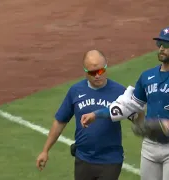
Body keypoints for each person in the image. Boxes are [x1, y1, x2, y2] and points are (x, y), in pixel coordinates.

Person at [80, 26, 169, 180]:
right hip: (150, 144)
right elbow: (127, 105)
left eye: (167, 45)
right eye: (160, 44)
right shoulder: (147, 76)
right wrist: (96, 114)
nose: (162, 48)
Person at [35, 50, 127, 180]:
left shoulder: (120, 92)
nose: (97, 76)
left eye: (100, 71)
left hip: (110, 160)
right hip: (83, 159)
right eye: (92, 73)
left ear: (106, 66)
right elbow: (60, 121)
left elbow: (137, 117)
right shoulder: (76, 91)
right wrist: (45, 150)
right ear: (85, 71)